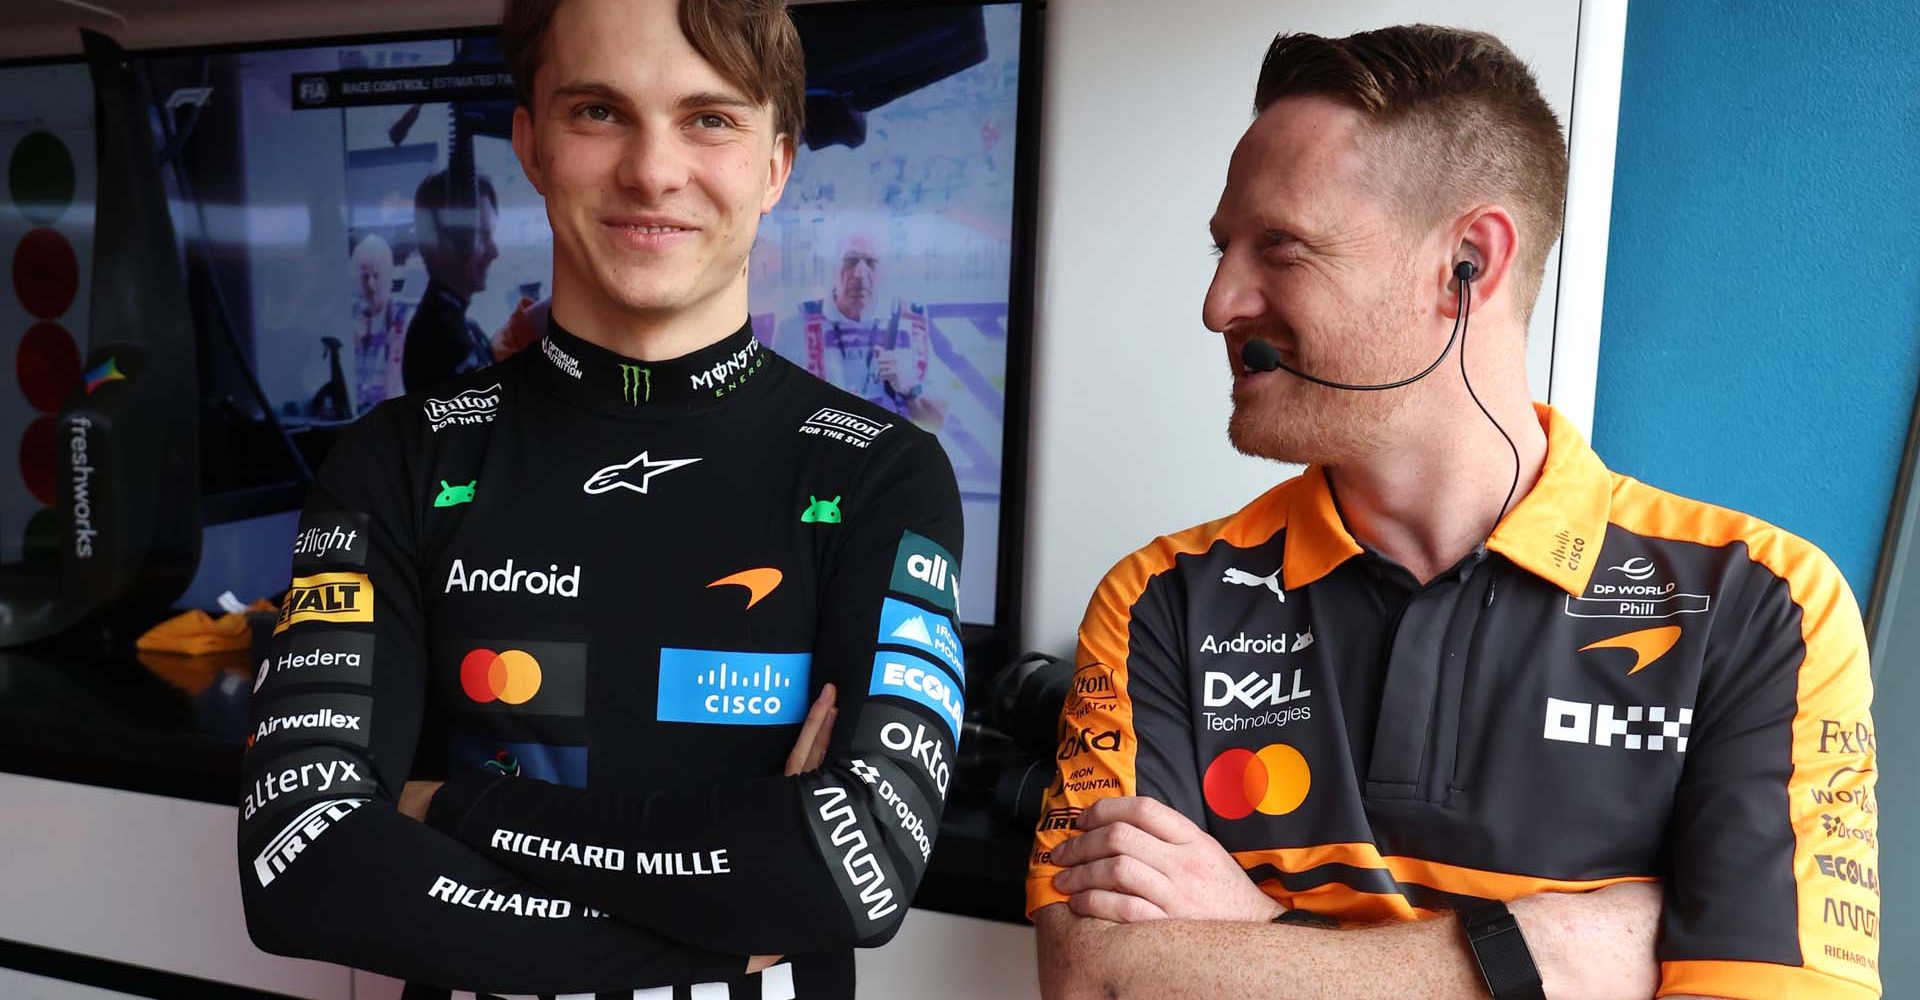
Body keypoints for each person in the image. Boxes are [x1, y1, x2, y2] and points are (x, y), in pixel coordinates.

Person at [1028, 25, 1878, 1000]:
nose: (1220, 303)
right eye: (1224, 248)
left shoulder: (1759, 604)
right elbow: (1099, 980)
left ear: (1467, 263)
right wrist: (1554, 953)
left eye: (1282, 247)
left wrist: (1254, 934)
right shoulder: (1164, 601)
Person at [237, 2, 963, 998]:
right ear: (530, 144)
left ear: (776, 163)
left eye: (710, 118)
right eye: (597, 111)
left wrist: (451, 806)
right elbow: (301, 863)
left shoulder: (879, 470)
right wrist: (726, 919)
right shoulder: (395, 461)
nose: (653, 171)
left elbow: (856, 866)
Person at [777, 228, 946, 426]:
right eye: (850, 260)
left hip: (888, 453)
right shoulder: (796, 327)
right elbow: (775, 411)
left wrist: (909, 389)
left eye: (871, 262)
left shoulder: (911, 327)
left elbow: (938, 418)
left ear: (885, 272)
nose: (859, 273)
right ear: (833, 267)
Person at [401, 170, 502, 392]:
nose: (494, 252)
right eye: (481, 237)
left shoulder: (463, 330)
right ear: (441, 242)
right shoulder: (440, 340)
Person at [349, 233, 409, 412]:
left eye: (376, 276)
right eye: (365, 277)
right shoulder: (350, 322)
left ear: (390, 277)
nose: (371, 284)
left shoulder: (406, 320)